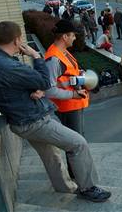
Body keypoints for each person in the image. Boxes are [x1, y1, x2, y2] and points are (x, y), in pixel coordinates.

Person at [0, 21, 111, 202]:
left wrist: (31, 89)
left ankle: (64, 188)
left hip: (20, 119)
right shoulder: (8, 66)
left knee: (52, 155)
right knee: (78, 143)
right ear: (17, 40)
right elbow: (44, 82)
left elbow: (15, 86)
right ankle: (88, 188)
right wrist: (35, 55)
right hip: (33, 120)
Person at [44, 20, 90, 178]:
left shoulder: (62, 52)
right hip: (68, 107)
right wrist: (73, 94)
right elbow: (49, 91)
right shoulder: (53, 58)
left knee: (78, 141)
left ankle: (78, 174)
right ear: (64, 36)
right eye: (72, 36)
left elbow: (67, 75)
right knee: (75, 144)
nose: (75, 39)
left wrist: (80, 76)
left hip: (74, 105)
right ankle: (79, 177)